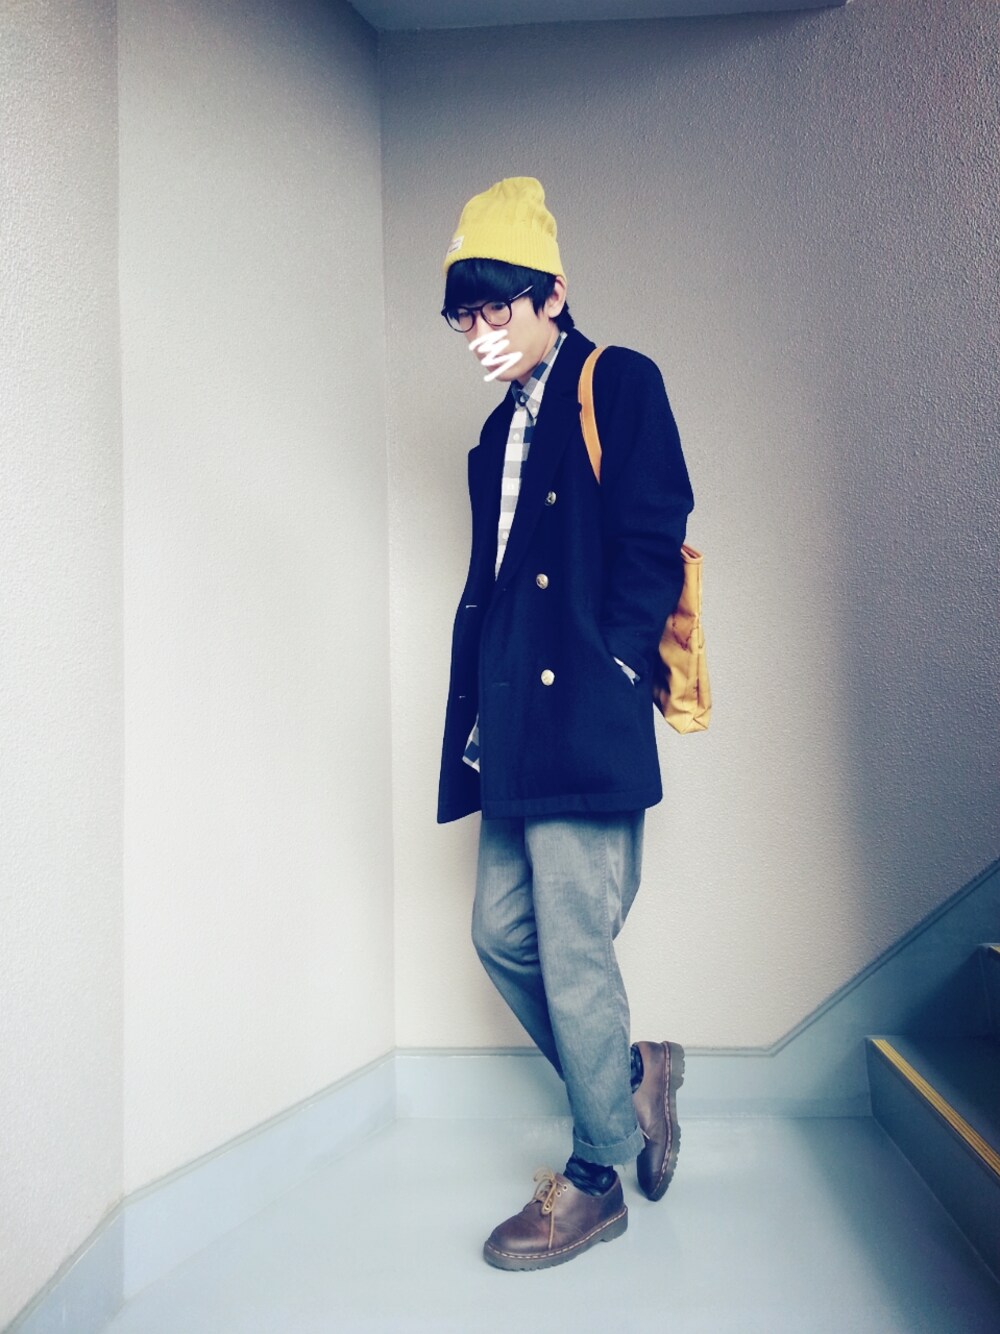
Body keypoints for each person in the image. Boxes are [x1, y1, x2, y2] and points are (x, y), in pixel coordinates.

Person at [437, 176, 694, 1271]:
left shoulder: (616, 380)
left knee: (575, 942)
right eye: (464, 317)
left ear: (553, 294)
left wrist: (616, 665)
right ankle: (632, 1073)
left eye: (497, 309)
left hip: (581, 711)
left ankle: (595, 1178)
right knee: (503, 933)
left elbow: (653, 528)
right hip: (509, 721)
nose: (480, 335)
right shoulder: (496, 432)